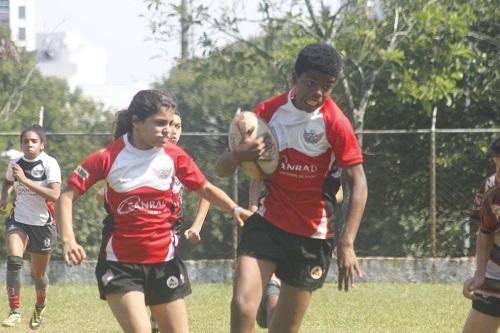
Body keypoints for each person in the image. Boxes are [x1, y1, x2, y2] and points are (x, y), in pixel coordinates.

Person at [56, 89, 252, 333]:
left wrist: (234, 209)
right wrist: (68, 240)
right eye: (160, 123)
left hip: (165, 262)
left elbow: (205, 189)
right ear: (136, 122)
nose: (168, 130)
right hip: (120, 265)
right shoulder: (107, 157)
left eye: (171, 124)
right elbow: (66, 195)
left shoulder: (173, 155)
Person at [217, 43, 368, 333]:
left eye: (327, 86)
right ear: (294, 78)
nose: (319, 93)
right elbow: (221, 169)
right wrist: (238, 155)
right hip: (268, 223)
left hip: (312, 234)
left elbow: (358, 181)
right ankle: (265, 299)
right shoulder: (269, 112)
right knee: (241, 306)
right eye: (311, 82)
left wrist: (347, 243)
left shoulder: (335, 122)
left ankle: (270, 298)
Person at [0, 125, 61, 329]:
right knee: (14, 261)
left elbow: (54, 195)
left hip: (43, 224)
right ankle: (15, 310)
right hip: (19, 219)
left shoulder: (50, 164)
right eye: (25, 141)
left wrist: (25, 180)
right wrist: (3, 199)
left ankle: (40, 306)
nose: (29, 144)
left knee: (38, 275)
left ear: (42, 145)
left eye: (33, 141)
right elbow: (8, 182)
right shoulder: (15, 162)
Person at [462, 138, 500, 333]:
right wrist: (479, 274)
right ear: (495, 159)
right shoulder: (490, 188)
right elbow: (486, 231)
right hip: (495, 276)